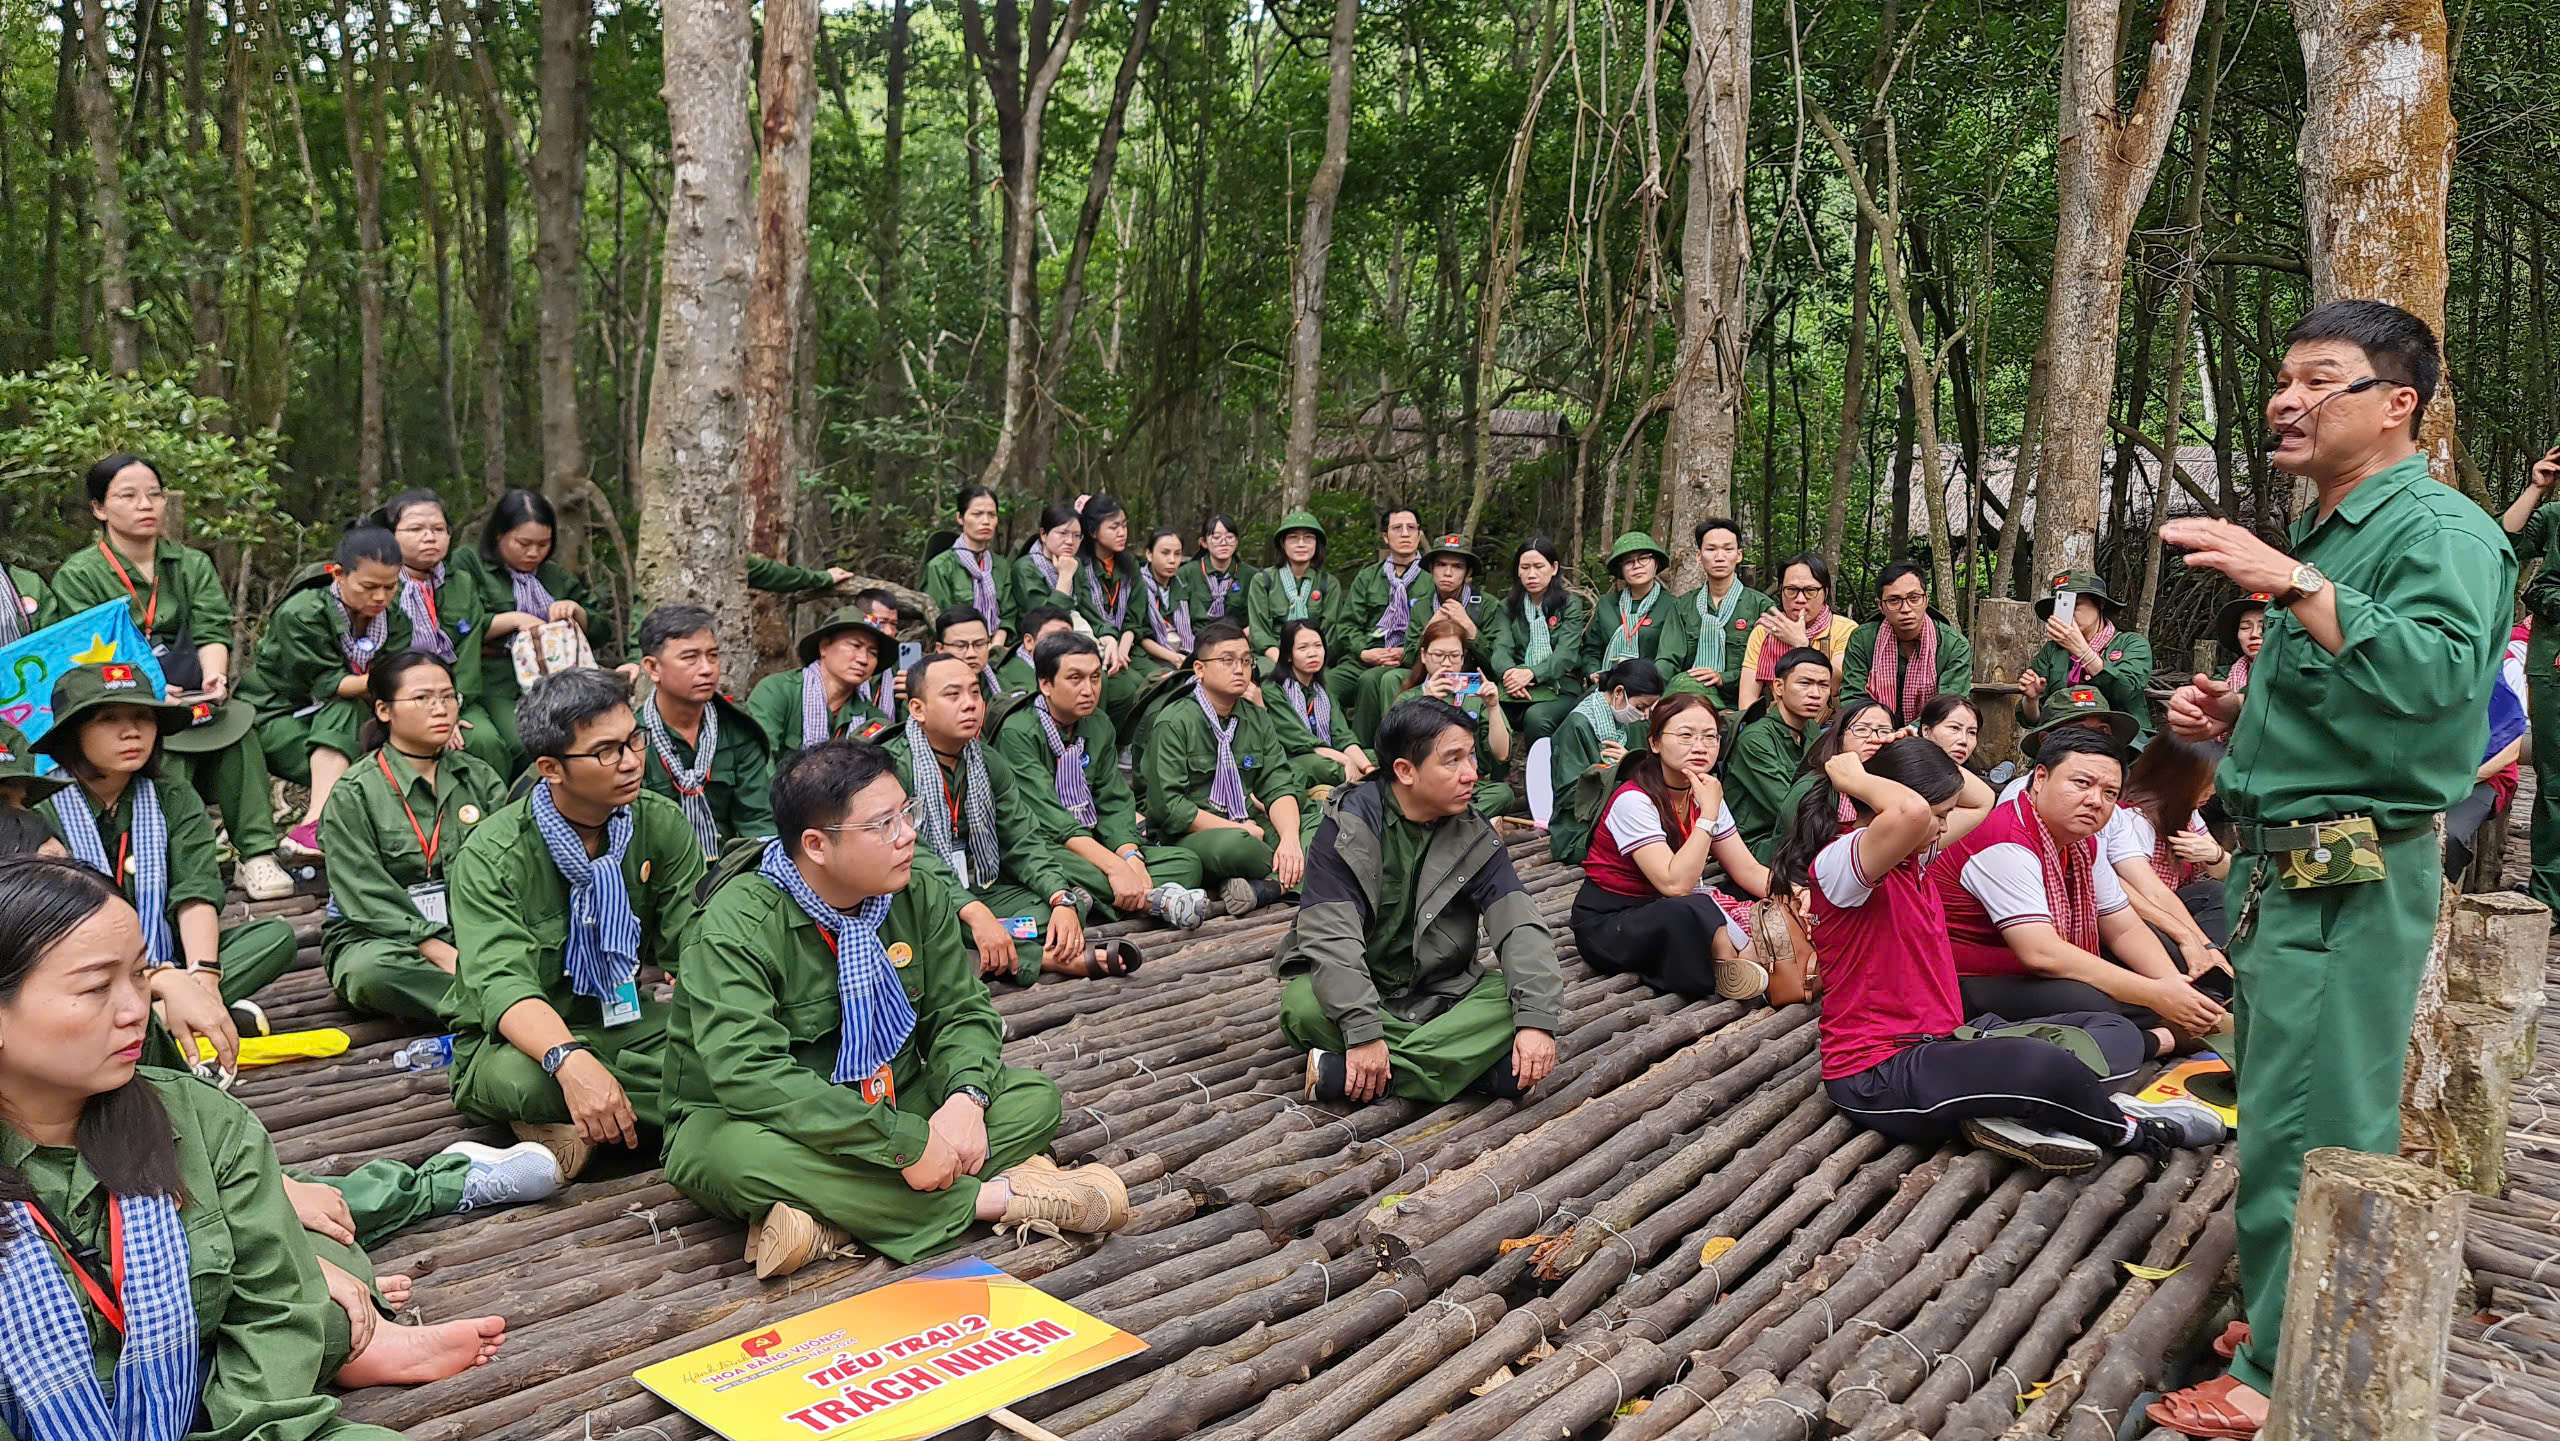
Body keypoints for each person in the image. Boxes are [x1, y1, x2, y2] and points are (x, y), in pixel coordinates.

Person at [2150, 301, 2514, 1437]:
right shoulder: (2338, 531)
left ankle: (2275, 1372)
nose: (2285, 400)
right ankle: (2276, 1309)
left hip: (2344, 875)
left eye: (2321, 380)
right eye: (2282, 379)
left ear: (2395, 404)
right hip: (2280, 870)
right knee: (2276, 1109)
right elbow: (2345, 701)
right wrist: (2235, 710)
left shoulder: (2436, 533)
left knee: (2311, 1121)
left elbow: (2445, 685)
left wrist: (2295, 586)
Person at [0, 855, 516, 1434]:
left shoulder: (199, 1120)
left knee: (317, 1279)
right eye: (96, 986)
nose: (135, 1010)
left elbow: (271, 1314)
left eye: (143, 975)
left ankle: (393, 1255)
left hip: (208, 1406)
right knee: (329, 1287)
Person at [661, 741, 1130, 1278]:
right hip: (755, 1121)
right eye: (882, 825)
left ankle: (828, 1220)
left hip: (888, 1094)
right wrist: (903, 1145)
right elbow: (751, 1077)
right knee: (742, 1161)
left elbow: (962, 1011)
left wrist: (965, 1100)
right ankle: (995, 1200)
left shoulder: (914, 893)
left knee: (1032, 1098)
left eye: (908, 813)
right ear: (815, 845)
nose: (908, 835)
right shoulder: (735, 927)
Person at [1776, 739, 2225, 1175]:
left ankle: (2026, 1109)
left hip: (1945, 1038)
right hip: (1878, 1072)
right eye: (1937, 817)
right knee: (2040, 1064)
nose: (1941, 827)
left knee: (2102, 1028)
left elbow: (1979, 799)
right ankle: (2133, 1130)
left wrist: (1917, 743)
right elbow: (1911, 812)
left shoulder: (1914, 858)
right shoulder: (1842, 866)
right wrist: (1852, 774)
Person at [444, 668, 707, 1179]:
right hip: (518, 1042)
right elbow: (503, 982)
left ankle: (590, 1123)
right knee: (528, 1083)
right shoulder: (494, 854)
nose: (631, 761)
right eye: (607, 751)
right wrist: (569, 1061)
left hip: (627, 1022)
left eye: (635, 740)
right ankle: (686, 1113)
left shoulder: (659, 824)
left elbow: (696, 943)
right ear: (551, 767)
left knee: (719, 1050)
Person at [1277, 698, 1564, 1105]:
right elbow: (1331, 940)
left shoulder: (1474, 833)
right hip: (1365, 991)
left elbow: (1520, 926)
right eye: (1453, 761)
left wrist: (1536, 1025)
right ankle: (1471, 1070)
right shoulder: (1346, 827)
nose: (1472, 775)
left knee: (1518, 1001)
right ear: (1405, 770)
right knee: (1303, 1005)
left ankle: (1370, 1076)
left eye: (1471, 758)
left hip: (1446, 994)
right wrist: (1363, 1030)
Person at [41, 454, 294, 900]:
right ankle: (169, 863)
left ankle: (256, 855)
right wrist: (152, 691)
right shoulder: (80, 574)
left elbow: (212, 630)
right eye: (129, 496)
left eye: (154, 494)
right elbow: (85, 656)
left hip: (191, 690)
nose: (146, 505)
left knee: (237, 727)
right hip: (123, 698)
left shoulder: (189, 564)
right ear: (100, 509)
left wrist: (215, 678)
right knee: (158, 744)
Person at [33, 664, 301, 1036]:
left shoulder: (172, 796)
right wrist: (149, 980)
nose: (132, 732)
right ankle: (175, 1017)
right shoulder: (39, 808)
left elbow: (195, 891)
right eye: (109, 719)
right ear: (71, 734)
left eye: (143, 717)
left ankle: (158, 1019)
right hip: (80, 968)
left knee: (274, 938)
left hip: (170, 958)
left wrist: (204, 977)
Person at [1933, 728, 2230, 1051]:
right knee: (2093, 1000)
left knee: (2148, 986)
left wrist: (2172, 985)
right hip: (1966, 980)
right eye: (2082, 783)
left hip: (2034, 970)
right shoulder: (2005, 841)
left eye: (2109, 793)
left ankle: (2174, 1029)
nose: (2095, 801)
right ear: (2041, 778)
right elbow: (2041, 954)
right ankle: (2164, 1038)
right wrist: (2156, 995)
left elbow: (2123, 926)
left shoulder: (2082, 842)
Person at [884, 653, 1105, 981]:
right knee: (920, 926)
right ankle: (1036, 958)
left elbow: (1022, 839)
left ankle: (985, 951)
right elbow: (912, 858)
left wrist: (1062, 898)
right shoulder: (892, 768)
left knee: (1062, 913)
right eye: (952, 694)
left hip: (981, 885)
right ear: (917, 709)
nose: (970, 704)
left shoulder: (987, 761)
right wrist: (973, 912)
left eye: (975, 692)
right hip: (920, 894)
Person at [319, 653, 509, 1025]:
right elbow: (365, 895)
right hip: (385, 939)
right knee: (370, 972)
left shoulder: (479, 779)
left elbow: (510, 868)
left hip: (474, 931)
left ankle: (489, 999)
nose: (440, 709)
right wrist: (436, 949)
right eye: (422, 698)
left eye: (448, 697)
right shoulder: (354, 792)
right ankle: (500, 1009)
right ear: (384, 711)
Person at [991, 631, 1210, 929]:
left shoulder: (1098, 724)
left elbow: (1113, 801)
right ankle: (1151, 901)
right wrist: (1114, 867)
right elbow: (1050, 819)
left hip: (1092, 840)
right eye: (1075, 678)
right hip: (1043, 844)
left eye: (1095, 677)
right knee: (1066, 867)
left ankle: (1095, 899)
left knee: (1186, 863)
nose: (1089, 689)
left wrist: (1130, 856)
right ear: (1045, 684)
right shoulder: (1017, 731)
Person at [1570, 691, 1774, 1000]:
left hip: (1668, 906)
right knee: (1692, 907)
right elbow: (1675, 885)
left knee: (1740, 892)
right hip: (1612, 922)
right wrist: (1707, 814)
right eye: (1685, 736)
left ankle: (1739, 963)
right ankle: (1735, 963)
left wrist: (1796, 894)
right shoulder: (1633, 800)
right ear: (1654, 742)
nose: (1699, 747)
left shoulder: (1705, 791)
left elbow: (1746, 868)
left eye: (1710, 737)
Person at [237, 526, 414, 856]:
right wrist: (407, 685)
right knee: (347, 712)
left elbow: (395, 674)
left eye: (390, 587)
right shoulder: (302, 613)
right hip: (280, 715)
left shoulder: (396, 618)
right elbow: (335, 686)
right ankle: (315, 823)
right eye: (368, 587)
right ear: (338, 575)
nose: (380, 597)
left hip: (350, 717)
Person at [1137, 620, 1313, 916]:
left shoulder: (1255, 717)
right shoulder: (1175, 721)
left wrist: (1291, 841)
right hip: (1199, 833)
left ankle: (1267, 887)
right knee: (1238, 845)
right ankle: (1296, 875)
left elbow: (1277, 783)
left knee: (1319, 826)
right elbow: (1169, 808)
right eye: (1227, 660)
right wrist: (1239, 829)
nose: (1240, 669)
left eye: (1246, 661)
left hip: (1247, 819)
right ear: (1199, 669)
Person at [378, 489, 513, 773]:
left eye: (438, 529)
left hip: (456, 694)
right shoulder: (379, 585)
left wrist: (450, 707)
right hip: (402, 696)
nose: (430, 537)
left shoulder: (460, 582)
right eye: (415, 529)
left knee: (485, 740)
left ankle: (491, 812)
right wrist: (428, 706)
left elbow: (468, 650)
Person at [635, 604, 775, 858]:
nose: (707, 669)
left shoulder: (737, 730)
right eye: (690, 658)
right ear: (653, 668)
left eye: (713, 656)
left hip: (732, 874)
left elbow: (757, 823)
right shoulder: (630, 739)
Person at [2105, 732, 2235, 961]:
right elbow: (2152, 893)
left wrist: (2215, 855)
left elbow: (2228, 873)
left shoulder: (2189, 814)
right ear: (2177, 778)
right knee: (2213, 895)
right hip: (2135, 918)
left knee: (2221, 893)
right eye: (2206, 783)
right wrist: (2206, 947)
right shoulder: (2134, 819)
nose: (2212, 791)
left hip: (2171, 912)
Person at [1378, 617, 1517, 816]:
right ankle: (1464, 821)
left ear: (1463, 658)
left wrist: (1493, 707)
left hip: (1466, 784)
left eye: (1454, 656)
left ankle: (1440, 820)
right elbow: (1392, 750)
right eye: (1438, 655)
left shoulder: (1475, 697)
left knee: (1502, 794)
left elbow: (1502, 754)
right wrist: (1426, 702)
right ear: (1424, 656)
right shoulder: (1410, 697)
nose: (1446, 663)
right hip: (1423, 786)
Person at [2504, 444, 2560, 909]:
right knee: (2555, 779)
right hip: (2553, 662)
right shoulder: (2554, 517)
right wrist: (2536, 488)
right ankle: (2549, 893)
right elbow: (2504, 546)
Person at [1547, 659, 1665, 865]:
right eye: (1640, 707)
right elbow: (1570, 796)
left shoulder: (1625, 723)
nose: (1643, 715)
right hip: (1580, 831)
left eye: (1649, 708)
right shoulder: (1578, 725)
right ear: (1619, 692)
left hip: (1624, 816)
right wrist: (1622, 772)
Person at [745, 606, 900, 762]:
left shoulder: (872, 717)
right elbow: (759, 765)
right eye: (855, 645)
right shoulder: (777, 692)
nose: (863, 659)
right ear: (824, 647)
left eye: (872, 653)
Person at [2018, 569, 2154, 746]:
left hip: (2122, 743)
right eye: (2062, 607)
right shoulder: (2053, 651)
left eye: (2075, 604)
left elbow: (2126, 692)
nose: (2068, 613)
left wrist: (2082, 651)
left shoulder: (2132, 643)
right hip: (2063, 742)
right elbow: (2033, 720)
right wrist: (2031, 699)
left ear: (2100, 604)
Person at [1725, 646, 1835, 861]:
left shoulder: (1811, 729)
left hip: (1801, 834)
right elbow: (1789, 808)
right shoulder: (1756, 738)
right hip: (1758, 846)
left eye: (1823, 685)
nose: (1815, 694)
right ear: (1778, 687)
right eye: (1805, 683)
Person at [1663, 518, 1775, 712]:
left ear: (1739, 555)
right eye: (1711, 549)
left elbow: (1770, 667)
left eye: (1728, 549)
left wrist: (1723, 677)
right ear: (1699, 556)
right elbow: (1668, 660)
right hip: (1685, 700)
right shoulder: (1683, 606)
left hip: (1738, 706)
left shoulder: (1761, 606)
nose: (1720, 557)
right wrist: (1654, 693)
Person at [1840, 562, 1974, 725]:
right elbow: (1853, 699)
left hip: (1930, 731)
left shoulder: (1954, 645)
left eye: (1914, 598)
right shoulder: (1863, 639)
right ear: (1880, 605)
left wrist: (1912, 730)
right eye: (1894, 600)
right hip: (1873, 731)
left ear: (1926, 600)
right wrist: (1880, 730)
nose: (1905, 609)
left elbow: (1949, 705)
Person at [1488, 537, 1589, 746]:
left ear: (1553, 568)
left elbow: (1566, 655)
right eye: (1524, 567)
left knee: (1537, 717)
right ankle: (1496, 777)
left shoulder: (1569, 605)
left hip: (1561, 686)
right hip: (1514, 685)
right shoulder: (1507, 606)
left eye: (1538, 566)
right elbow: (1501, 648)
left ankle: (1539, 775)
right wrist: (1510, 675)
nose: (1531, 574)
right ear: (1518, 570)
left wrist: (1531, 673)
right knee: (1489, 710)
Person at [1331, 507, 1432, 709]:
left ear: (1419, 535)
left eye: (1411, 528)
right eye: (1397, 528)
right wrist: (1364, 652)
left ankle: (1370, 740)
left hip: (1412, 659)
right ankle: (1334, 737)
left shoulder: (1433, 578)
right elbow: (1348, 625)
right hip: (1367, 655)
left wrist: (1407, 651)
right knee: (1325, 685)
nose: (1405, 533)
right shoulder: (1368, 577)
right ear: (1386, 537)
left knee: (1372, 681)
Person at [1736, 554, 1855, 713]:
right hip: (1775, 724)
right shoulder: (1765, 631)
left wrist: (1801, 644)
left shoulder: (1844, 629)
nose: (1800, 599)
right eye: (1791, 590)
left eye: (1810, 591)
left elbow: (1836, 686)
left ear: (1825, 592)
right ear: (1781, 590)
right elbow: (1746, 701)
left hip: (1828, 726)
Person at [2444, 652, 2527, 880]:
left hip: (2483, 777)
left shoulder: (2505, 665)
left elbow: (2514, 744)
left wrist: (2469, 778)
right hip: (2424, 773)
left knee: (2450, 835)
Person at [1266, 618, 1376, 790]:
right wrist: (1346, 760)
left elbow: (1341, 735)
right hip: (1296, 758)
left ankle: (1362, 785)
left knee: (1376, 757)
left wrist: (1369, 769)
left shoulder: (1322, 689)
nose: (1312, 653)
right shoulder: (1273, 690)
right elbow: (1299, 740)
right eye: (1303, 648)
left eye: (1318, 646)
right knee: (1328, 767)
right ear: (1288, 655)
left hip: (1328, 753)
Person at [1073, 494, 1146, 730]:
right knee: (1128, 686)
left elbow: (1135, 616)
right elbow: (1085, 613)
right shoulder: (1080, 567)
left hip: (1127, 646)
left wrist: (1123, 646)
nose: (1122, 532)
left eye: (1124, 525)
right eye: (1114, 527)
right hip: (1095, 644)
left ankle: (1129, 743)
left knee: (1160, 680)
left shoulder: (1130, 565)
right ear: (1093, 532)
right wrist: (1111, 644)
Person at [921, 485, 1022, 649]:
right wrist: (977, 647)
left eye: (992, 515)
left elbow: (1008, 616)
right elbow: (940, 619)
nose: (986, 521)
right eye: (977, 514)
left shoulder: (1001, 566)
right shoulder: (940, 566)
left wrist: (995, 646)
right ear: (960, 518)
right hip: (957, 650)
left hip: (998, 649)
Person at [1246, 510, 1341, 671]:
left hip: (1314, 657)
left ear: (1317, 544)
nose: (1301, 544)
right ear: (1283, 543)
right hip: (1272, 655)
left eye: (1308, 538)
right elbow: (1259, 630)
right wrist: (1282, 659)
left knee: (1327, 683)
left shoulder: (1328, 583)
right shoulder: (1263, 580)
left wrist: (1306, 657)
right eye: (1293, 538)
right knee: (1270, 677)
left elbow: (1330, 632)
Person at [1582, 532, 1678, 687]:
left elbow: (1671, 657)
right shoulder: (1607, 604)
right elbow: (1591, 650)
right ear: (1621, 570)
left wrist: (1645, 684)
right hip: (1607, 686)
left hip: (1651, 688)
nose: (1637, 565)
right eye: (1628, 562)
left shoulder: (1671, 605)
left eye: (1644, 558)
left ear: (1656, 564)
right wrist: (1593, 672)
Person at [1174, 513, 1257, 624]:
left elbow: (1258, 619)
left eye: (1230, 537)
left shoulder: (1251, 575)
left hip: (1237, 638)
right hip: (1196, 638)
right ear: (1204, 542)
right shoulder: (1186, 574)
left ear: (1237, 541)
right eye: (1216, 537)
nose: (1224, 542)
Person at [1015, 501, 1085, 619]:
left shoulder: (1074, 563)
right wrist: (1065, 576)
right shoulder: (1025, 568)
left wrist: (1107, 634)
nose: (1070, 541)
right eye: (1063, 533)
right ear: (1043, 534)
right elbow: (1045, 620)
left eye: (1076, 535)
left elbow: (1089, 610)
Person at [994, 605, 1074, 700]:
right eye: (1054, 637)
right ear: (1029, 642)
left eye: (1068, 637)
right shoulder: (1003, 678)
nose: (1064, 644)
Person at [933, 605, 1009, 704]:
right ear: (940, 648)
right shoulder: (923, 692)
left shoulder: (1006, 688)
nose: (971, 654)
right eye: (960, 646)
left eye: (979, 644)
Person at [2213, 590, 2269, 694]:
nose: (2254, 634)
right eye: (2245, 627)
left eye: (2265, 627)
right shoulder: (2223, 678)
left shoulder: (2303, 679)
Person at [1918, 693, 1985, 773]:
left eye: (1972, 732)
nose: (1964, 741)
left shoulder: (1972, 780)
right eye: (1955, 728)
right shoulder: (1905, 773)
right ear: (1926, 731)